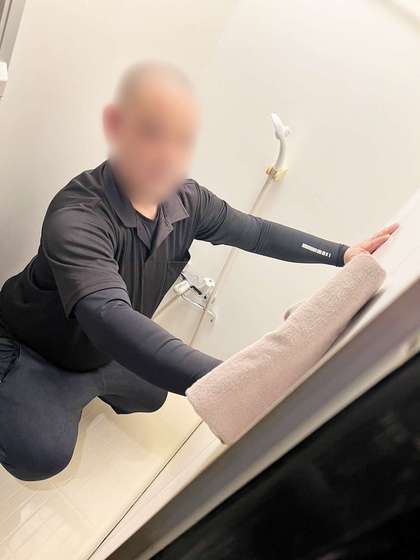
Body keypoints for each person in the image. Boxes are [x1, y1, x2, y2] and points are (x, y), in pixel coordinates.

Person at [0, 60, 398, 481]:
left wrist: (341, 254)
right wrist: (241, 380)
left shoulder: (186, 200)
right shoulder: (78, 218)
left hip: (97, 351)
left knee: (153, 394)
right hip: (32, 346)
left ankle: (78, 388)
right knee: (42, 455)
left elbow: (257, 233)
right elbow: (109, 318)